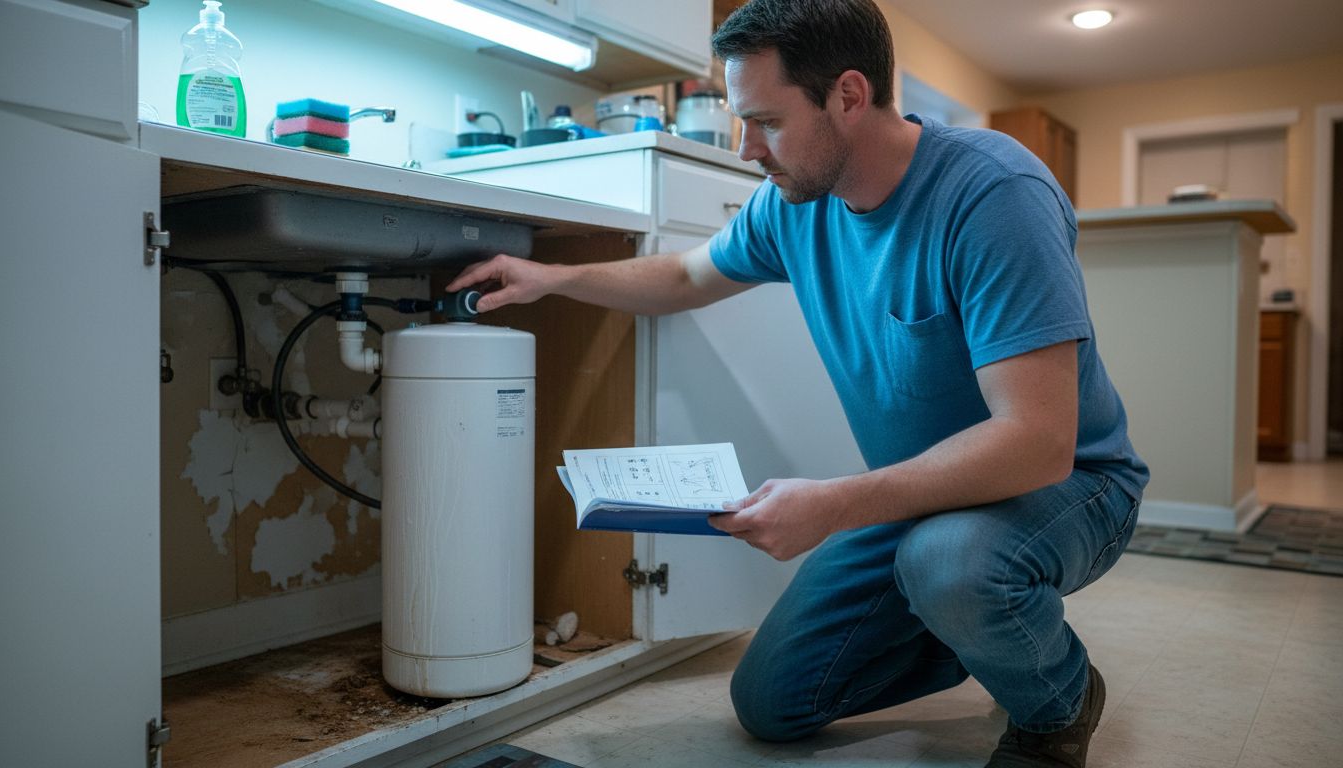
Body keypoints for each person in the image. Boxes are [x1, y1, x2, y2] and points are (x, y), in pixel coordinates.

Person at [447, 0, 1148, 764]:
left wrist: (836, 503)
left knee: (947, 564)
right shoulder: (793, 207)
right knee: (771, 703)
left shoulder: (994, 195)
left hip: (1072, 487)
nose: (748, 150)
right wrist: (553, 275)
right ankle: (979, 625)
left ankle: (1058, 701)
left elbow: (1038, 443)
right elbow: (684, 275)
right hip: (926, 495)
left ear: (848, 96)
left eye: (767, 122)